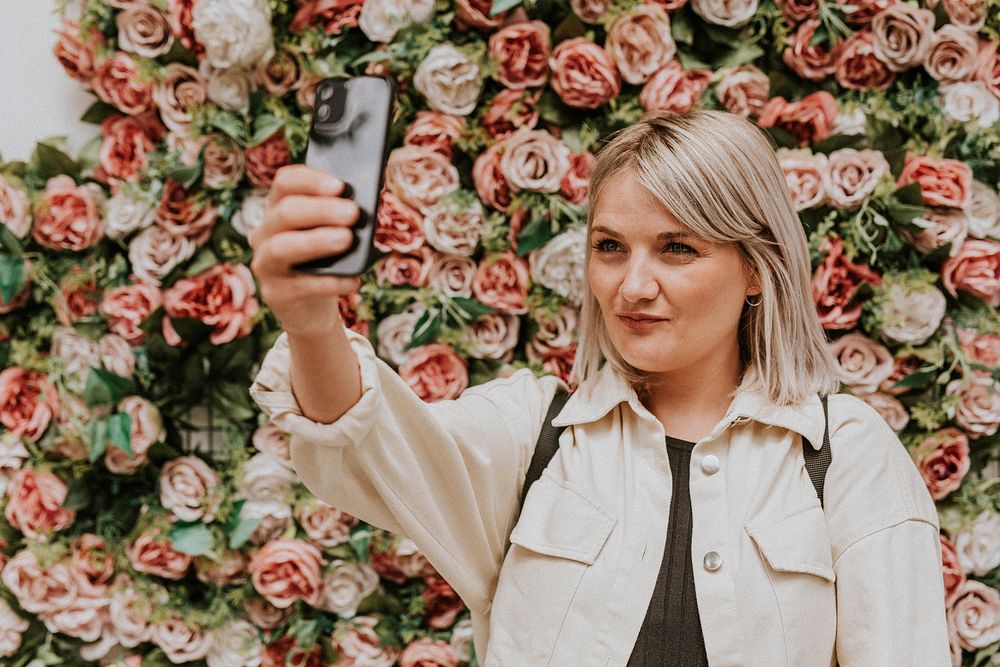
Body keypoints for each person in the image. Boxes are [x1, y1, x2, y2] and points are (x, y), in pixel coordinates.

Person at [248, 110, 951, 665]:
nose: (633, 286)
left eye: (678, 247)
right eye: (611, 246)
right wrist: (311, 322)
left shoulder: (843, 455)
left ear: (757, 269)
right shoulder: (535, 435)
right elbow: (370, 439)